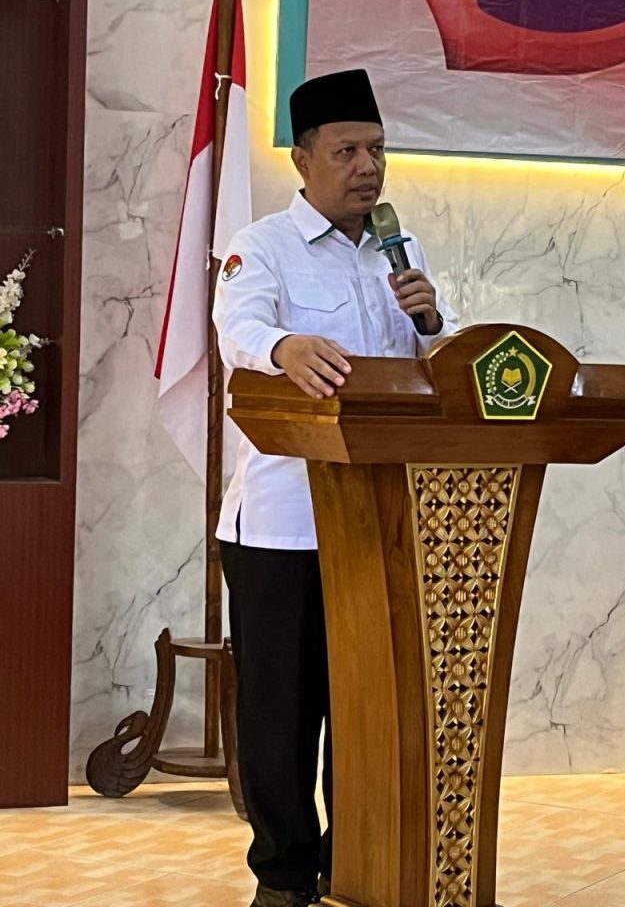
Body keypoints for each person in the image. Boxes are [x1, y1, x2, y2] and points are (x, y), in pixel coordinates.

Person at [213, 68, 459, 907]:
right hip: (282, 524)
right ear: (303, 158)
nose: (368, 167)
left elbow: (432, 368)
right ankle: (282, 876)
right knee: (281, 713)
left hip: (378, 519)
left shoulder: (400, 250)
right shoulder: (264, 246)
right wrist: (283, 348)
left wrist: (433, 322)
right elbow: (238, 326)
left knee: (364, 704)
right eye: (348, 151)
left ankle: (352, 860)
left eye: (377, 150)